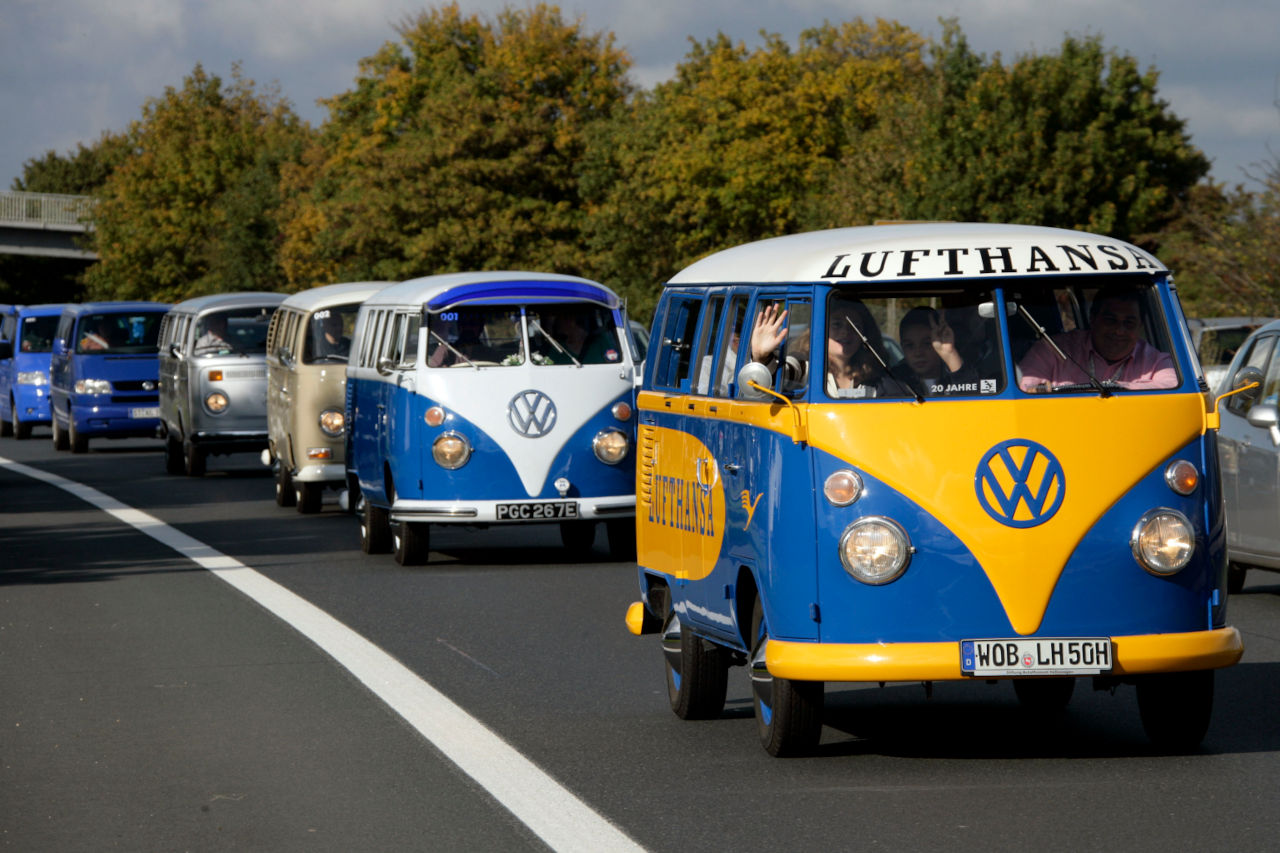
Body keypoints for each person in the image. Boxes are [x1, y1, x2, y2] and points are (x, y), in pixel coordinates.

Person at [1018, 285, 1177, 391]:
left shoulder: (1156, 361)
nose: (1119, 331)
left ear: (1140, 326)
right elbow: (1025, 387)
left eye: (1129, 323)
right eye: (1110, 320)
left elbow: (1173, 387)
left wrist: (1112, 387)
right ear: (1093, 319)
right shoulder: (1052, 348)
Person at [750, 298, 913, 398]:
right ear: (821, 330)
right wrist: (762, 357)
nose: (846, 332)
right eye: (836, 325)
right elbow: (780, 373)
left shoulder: (874, 375)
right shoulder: (806, 367)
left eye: (854, 326)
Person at [898, 306, 977, 394]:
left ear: (941, 342)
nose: (918, 353)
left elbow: (976, 401)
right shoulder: (894, 380)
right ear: (902, 347)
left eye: (927, 344)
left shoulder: (963, 371)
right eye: (910, 345)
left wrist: (950, 354)